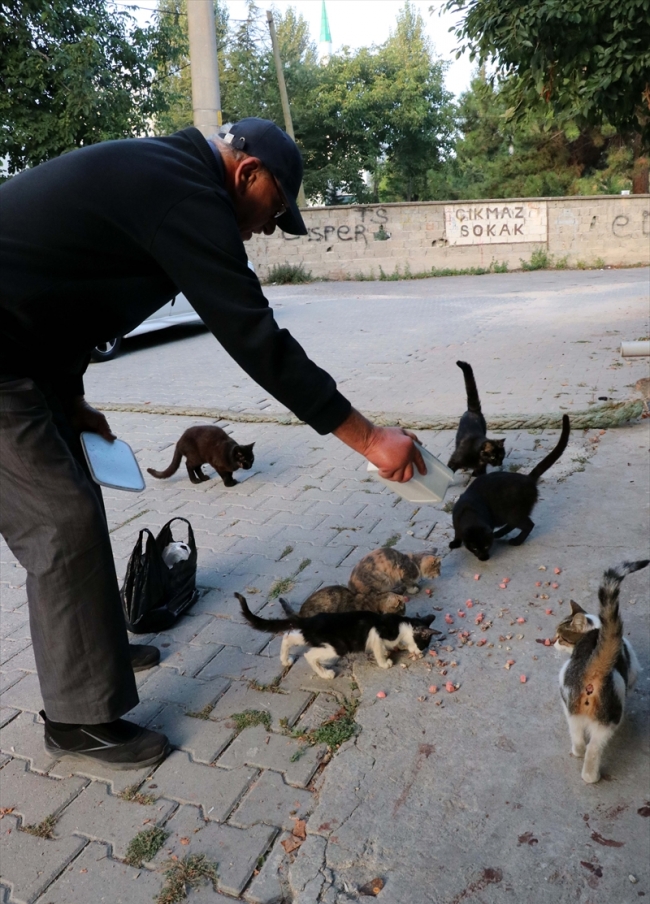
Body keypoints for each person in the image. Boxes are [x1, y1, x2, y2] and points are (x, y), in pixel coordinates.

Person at [0, 118, 424, 769]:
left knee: (76, 497)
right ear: (246, 173)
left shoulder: (170, 176)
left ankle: (93, 654)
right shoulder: (187, 194)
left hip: (27, 353)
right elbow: (255, 337)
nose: (262, 229)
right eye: (272, 211)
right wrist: (368, 438)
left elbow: (65, 295)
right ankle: (77, 719)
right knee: (59, 519)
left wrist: (72, 399)